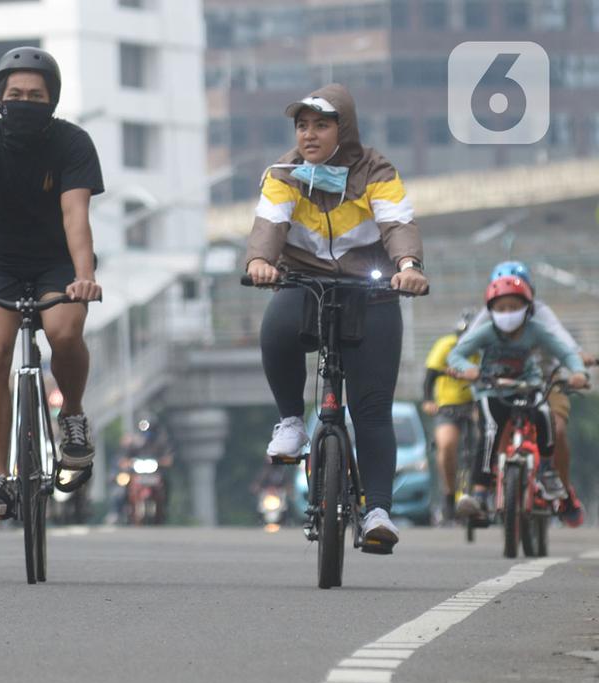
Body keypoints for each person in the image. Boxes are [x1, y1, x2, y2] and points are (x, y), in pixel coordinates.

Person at [243, 84, 428, 553]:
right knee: (276, 329)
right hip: (305, 281)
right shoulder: (284, 173)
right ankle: (290, 422)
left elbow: (398, 223)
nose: (309, 134)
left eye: (321, 124)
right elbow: (269, 224)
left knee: (371, 410)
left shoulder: (377, 170)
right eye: (302, 125)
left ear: (343, 129)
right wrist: (259, 262)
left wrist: (407, 268)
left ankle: (378, 513)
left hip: (372, 289)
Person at [0, 46, 105, 521]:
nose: (23, 101)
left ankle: (73, 417)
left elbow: (75, 215)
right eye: (14, 93)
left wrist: (84, 277)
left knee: (63, 330)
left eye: (34, 95)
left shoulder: (73, 143)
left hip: (58, 263)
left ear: (51, 100)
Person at [447, 276, 588, 522]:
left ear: (528, 309)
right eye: (501, 308)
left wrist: (578, 372)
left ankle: (546, 470)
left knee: (544, 414)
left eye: (514, 307)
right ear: (491, 311)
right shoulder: (485, 332)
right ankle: (479, 493)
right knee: (490, 429)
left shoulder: (536, 331)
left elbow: (565, 352)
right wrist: (465, 369)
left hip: (527, 385)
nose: (508, 313)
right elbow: (456, 354)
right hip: (492, 390)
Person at [421, 310, 478, 523]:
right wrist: (428, 400)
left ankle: (482, 492)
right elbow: (430, 374)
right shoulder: (446, 345)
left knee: (486, 439)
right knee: (446, 445)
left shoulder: (484, 349)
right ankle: (448, 495)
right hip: (448, 405)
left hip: (475, 404)